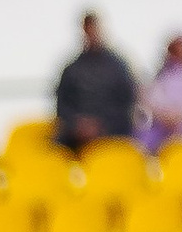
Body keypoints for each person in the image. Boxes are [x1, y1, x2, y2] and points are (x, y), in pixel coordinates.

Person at [53, 10, 138, 153]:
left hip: (111, 130)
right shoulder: (72, 68)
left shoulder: (118, 66)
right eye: (87, 29)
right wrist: (78, 124)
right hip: (75, 134)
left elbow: (127, 102)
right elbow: (62, 104)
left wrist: (100, 125)